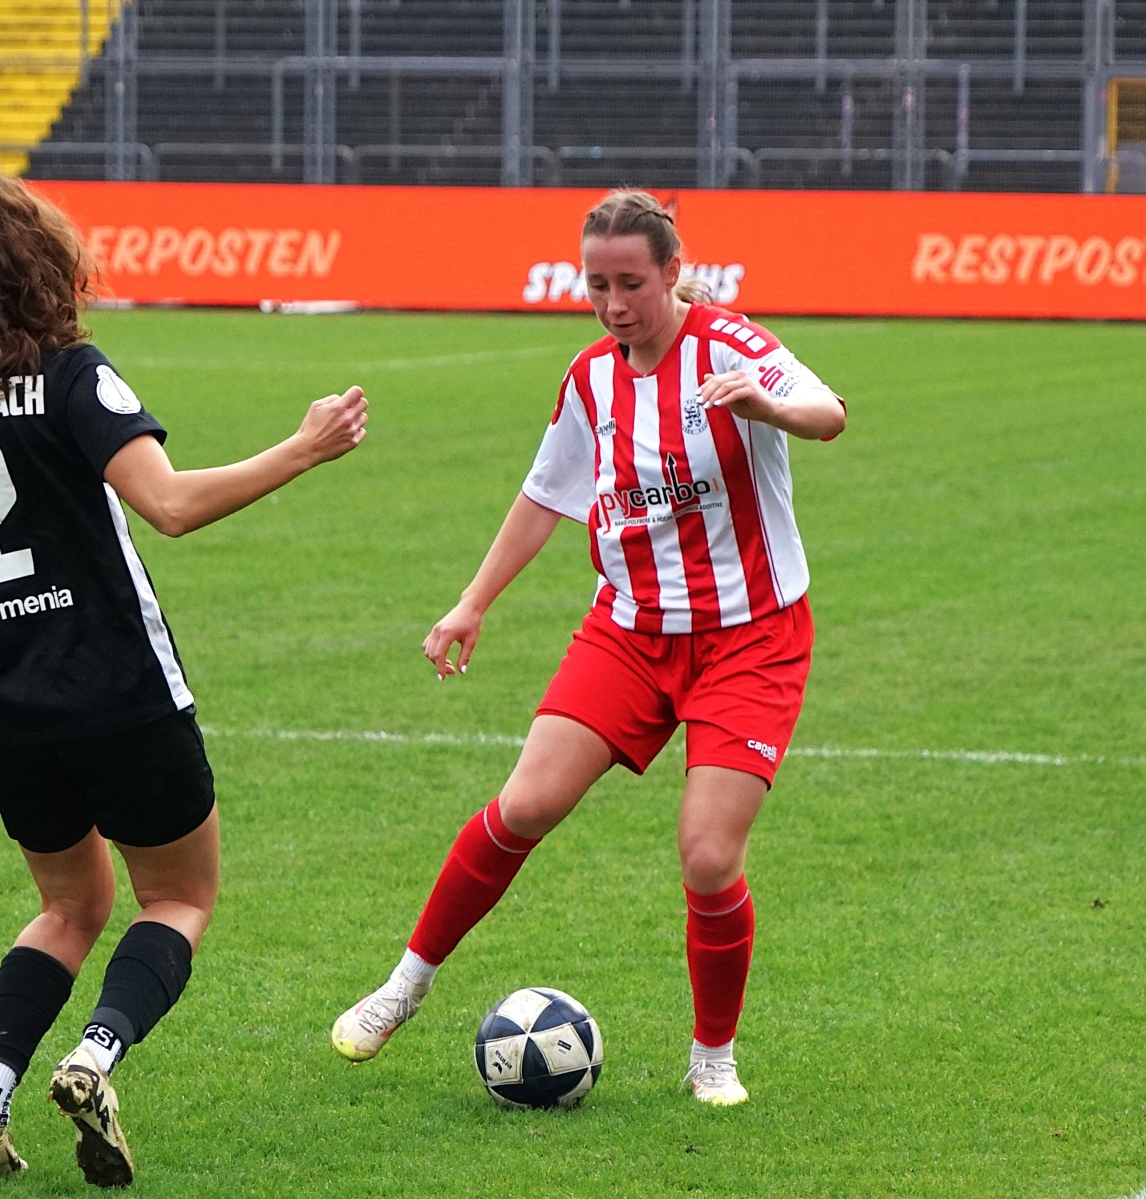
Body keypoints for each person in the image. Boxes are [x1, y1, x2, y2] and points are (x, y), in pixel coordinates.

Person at [0, 173, 368, 1185]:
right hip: (117, 685)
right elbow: (171, 505)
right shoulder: (71, 376)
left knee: (67, 907)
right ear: (45, 265)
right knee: (179, 896)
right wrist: (303, 448)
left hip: (4, 701)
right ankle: (96, 1055)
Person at [330, 190, 846, 1107]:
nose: (614, 304)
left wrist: (766, 404)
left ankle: (713, 1056)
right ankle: (404, 985)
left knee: (708, 858)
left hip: (750, 638)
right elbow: (545, 496)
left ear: (674, 271)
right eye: (598, 285)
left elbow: (828, 412)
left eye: (632, 284)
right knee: (525, 803)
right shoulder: (590, 379)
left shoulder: (729, 347)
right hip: (630, 631)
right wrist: (472, 603)